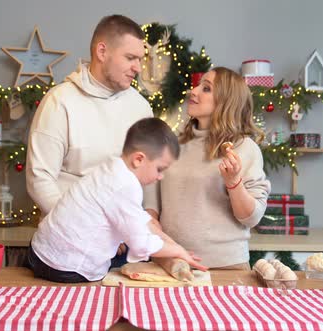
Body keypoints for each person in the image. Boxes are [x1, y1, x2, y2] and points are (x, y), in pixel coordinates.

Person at [26, 118, 208, 283]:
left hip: (39, 253)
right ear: (138, 159)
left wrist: (174, 245)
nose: (160, 177)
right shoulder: (125, 186)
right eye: (160, 169)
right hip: (67, 268)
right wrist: (178, 252)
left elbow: (143, 221)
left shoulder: (112, 168)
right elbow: (142, 243)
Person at [144, 67, 271, 270]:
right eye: (198, 85)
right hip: (171, 262)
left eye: (206, 89)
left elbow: (251, 217)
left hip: (226, 266)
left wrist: (234, 183)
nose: (193, 91)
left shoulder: (244, 148)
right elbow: (152, 198)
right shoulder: (173, 144)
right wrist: (152, 223)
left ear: (226, 101)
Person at [26, 14, 152, 215]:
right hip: (68, 236)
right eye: (130, 58)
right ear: (102, 51)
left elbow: (148, 175)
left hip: (121, 239)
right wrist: (81, 226)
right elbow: (39, 179)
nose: (137, 68)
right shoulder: (60, 101)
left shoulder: (141, 107)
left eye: (140, 59)